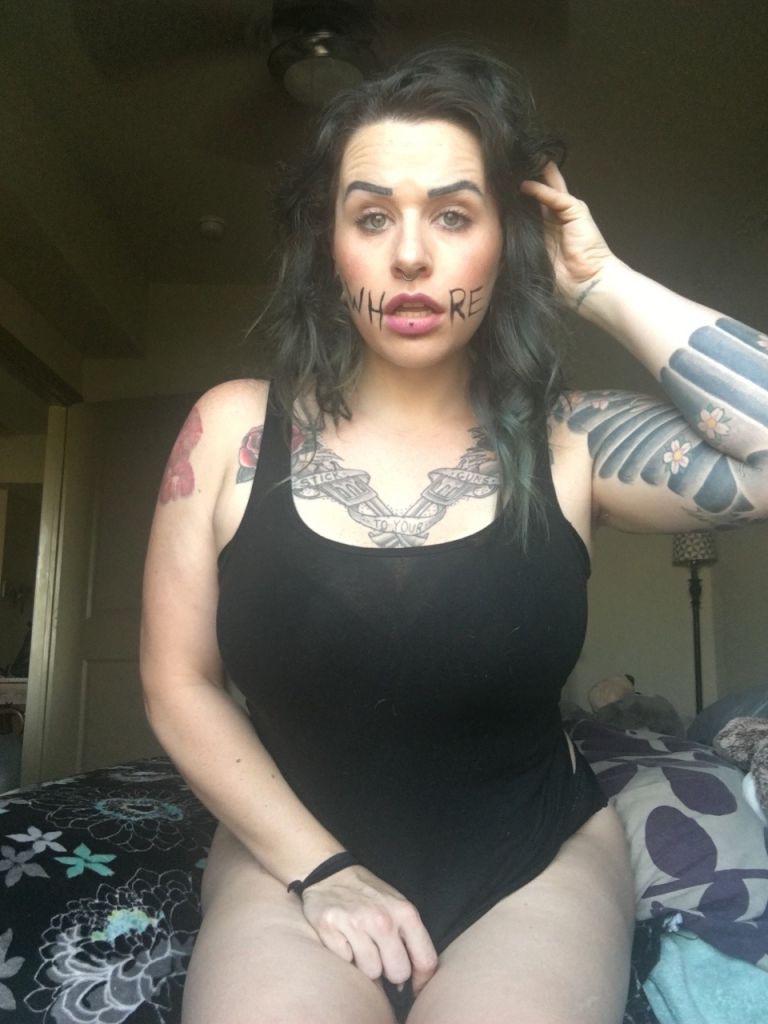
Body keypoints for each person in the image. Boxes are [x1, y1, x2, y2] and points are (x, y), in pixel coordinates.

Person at [140, 46, 768, 1024]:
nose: (409, 257)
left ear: (506, 241)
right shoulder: (231, 431)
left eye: (454, 214)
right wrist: (322, 870)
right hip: (290, 858)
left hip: (533, 860)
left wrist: (599, 281)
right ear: (330, 245)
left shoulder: (571, 443)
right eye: (372, 216)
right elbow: (178, 681)